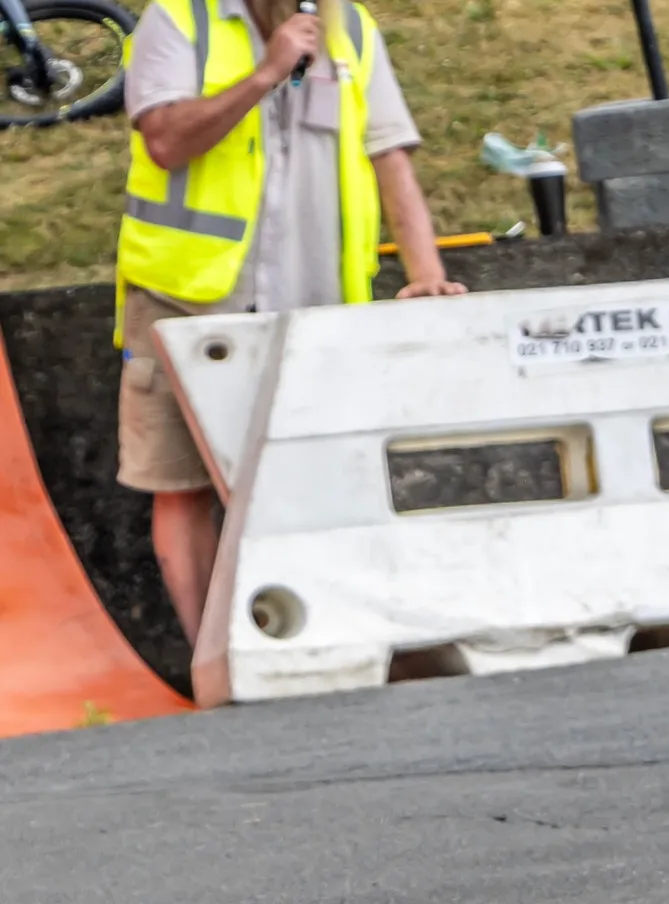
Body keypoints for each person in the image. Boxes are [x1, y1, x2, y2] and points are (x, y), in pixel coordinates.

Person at [117, 0, 467, 648]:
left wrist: (425, 272)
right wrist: (264, 74)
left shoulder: (352, 28)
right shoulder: (177, 22)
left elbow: (389, 155)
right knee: (181, 483)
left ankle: (343, 639)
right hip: (187, 300)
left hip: (316, 309)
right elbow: (164, 141)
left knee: (327, 479)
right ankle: (211, 662)